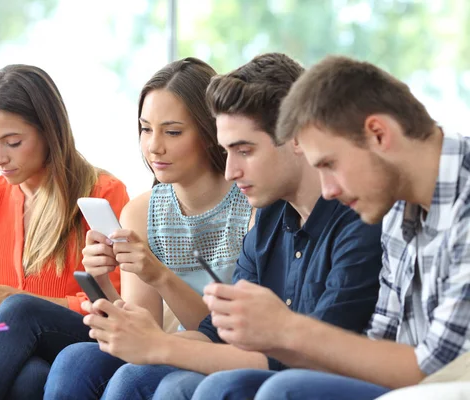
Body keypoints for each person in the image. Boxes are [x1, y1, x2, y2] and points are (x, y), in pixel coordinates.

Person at [45, 53, 384, 400]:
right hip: (265, 368)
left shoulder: (357, 220)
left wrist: (161, 346)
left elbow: (315, 357)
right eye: (228, 151)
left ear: (297, 138)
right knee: (97, 366)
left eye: (244, 151)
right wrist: (140, 333)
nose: (230, 171)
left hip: (316, 378)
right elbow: (218, 332)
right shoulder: (269, 221)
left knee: (178, 385)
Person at [202, 55, 470, 400]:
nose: (327, 190)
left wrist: (286, 328)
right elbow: (380, 342)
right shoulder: (395, 211)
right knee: (233, 387)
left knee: (285, 390)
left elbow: (433, 369)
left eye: (330, 164)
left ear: (378, 134)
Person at [43, 57, 254, 399]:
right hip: (165, 344)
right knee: (74, 360)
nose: (154, 146)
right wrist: (101, 283)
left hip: (218, 349)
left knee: (133, 378)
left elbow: (217, 334)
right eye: (145, 129)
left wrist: (158, 274)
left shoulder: (250, 205)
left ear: (210, 131)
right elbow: (144, 329)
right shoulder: (141, 211)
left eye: (172, 132)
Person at [0, 64, 129, 400]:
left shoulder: (102, 192)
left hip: (87, 338)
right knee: (31, 377)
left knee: (20, 308)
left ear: (49, 132)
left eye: (12, 142)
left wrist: (2, 295)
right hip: (22, 353)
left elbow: (114, 304)